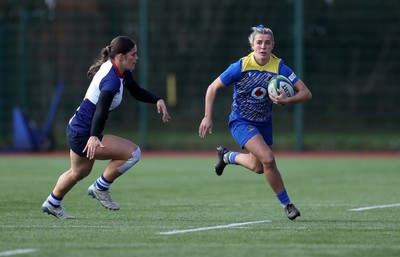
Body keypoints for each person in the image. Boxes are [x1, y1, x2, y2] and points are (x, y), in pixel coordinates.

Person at [42, 36, 170, 219]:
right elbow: (100, 110)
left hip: (76, 128)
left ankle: (52, 203)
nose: (137, 57)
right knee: (133, 153)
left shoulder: (119, 70)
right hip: (84, 133)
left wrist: (157, 99)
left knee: (78, 172)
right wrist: (93, 136)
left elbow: (135, 90)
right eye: (133, 54)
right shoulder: (111, 80)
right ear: (120, 56)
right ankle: (101, 187)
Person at [198, 25, 312, 220]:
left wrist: (287, 100)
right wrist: (208, 116)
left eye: (267, 43)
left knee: (259, 166)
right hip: (240, 121)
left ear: (273, 46)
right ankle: (287, 205)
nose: (263, 46)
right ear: (252, 45)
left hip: (264, 123)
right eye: (259, 42)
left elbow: (306, 93)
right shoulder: (241, 66)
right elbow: (212, 87)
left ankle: (226, 157)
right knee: (268, 159)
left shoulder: (279, 67)